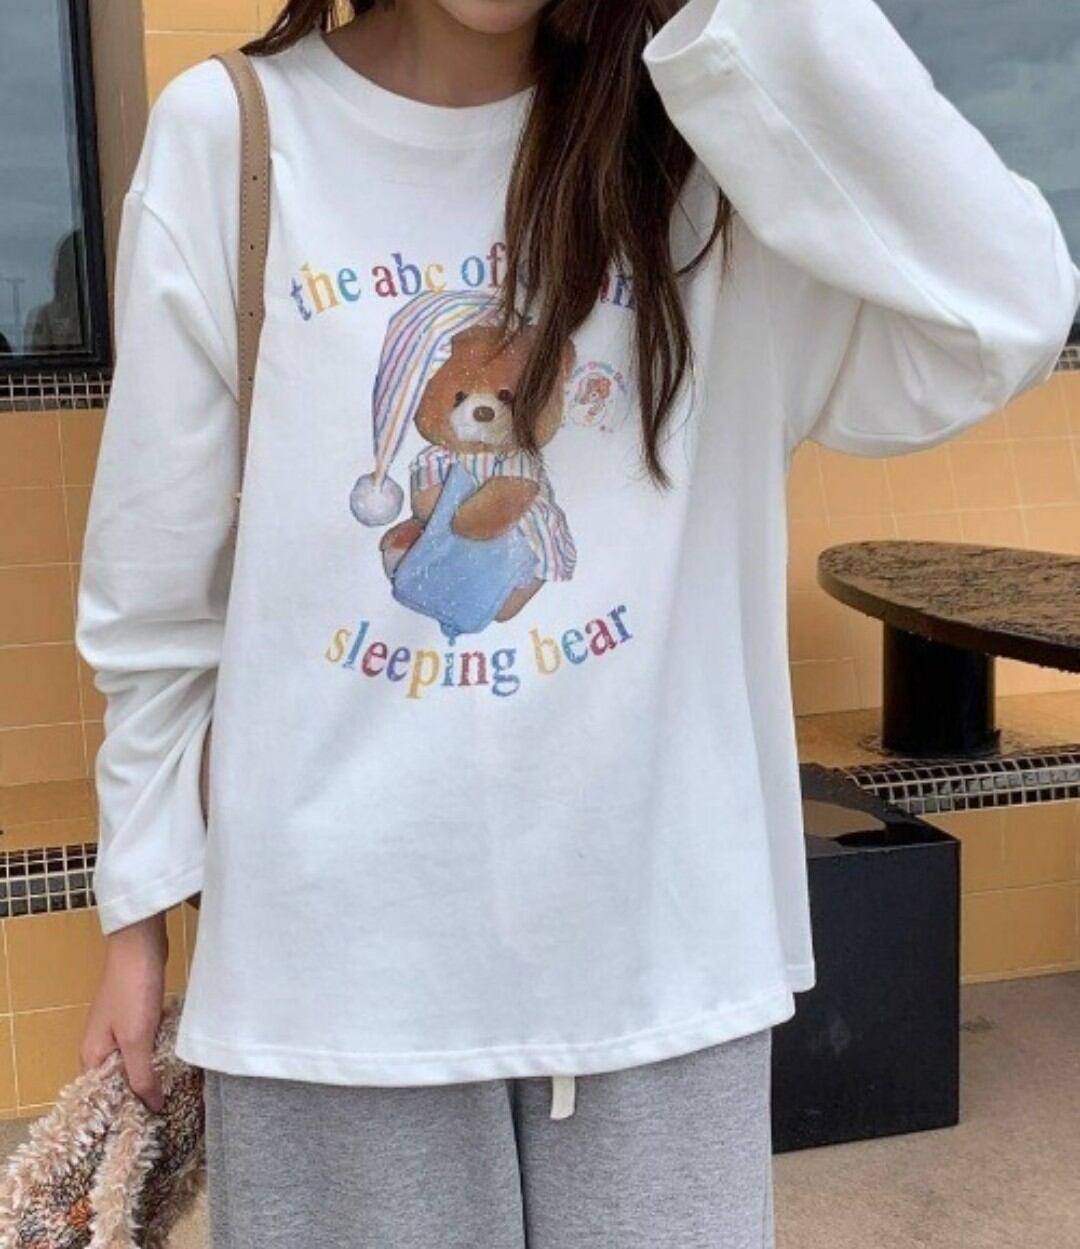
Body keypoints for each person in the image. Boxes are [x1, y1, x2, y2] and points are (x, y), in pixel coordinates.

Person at [74, 1, 1080, 1246]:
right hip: (335, 982)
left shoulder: (710, 158)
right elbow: (155, 591)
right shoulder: (235, 138)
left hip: (655, 966)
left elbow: (1008, 308)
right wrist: (137, 918)